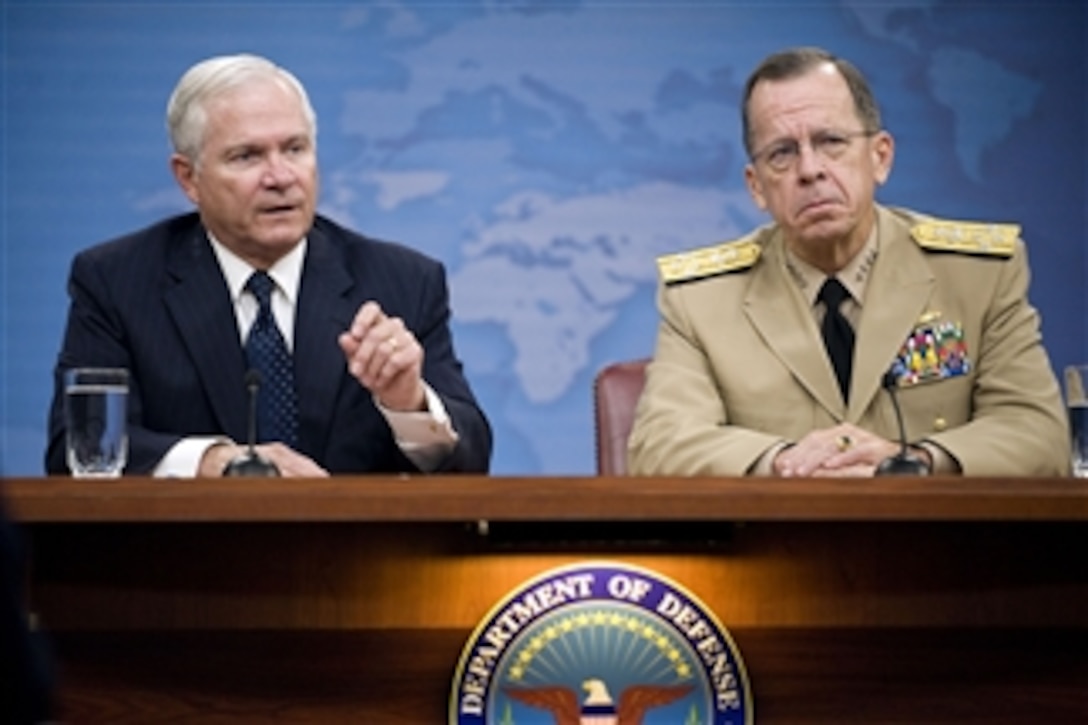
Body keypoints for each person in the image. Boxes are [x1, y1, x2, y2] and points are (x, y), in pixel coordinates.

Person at [628, 47, 1069, 477]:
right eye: (782, 153)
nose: (810, 170)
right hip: (777, 544)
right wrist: (787, 461)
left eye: (831, 142)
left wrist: (912, 461)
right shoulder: (702, 299)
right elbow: (660, 445)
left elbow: (1038, 434)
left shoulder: (978, 275)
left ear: (880, 157)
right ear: (756, 186)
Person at [44, 54, 491, 477]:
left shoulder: (403, 282)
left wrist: (407, 404)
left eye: (295, 149)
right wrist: (217, 462)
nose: (280, 177)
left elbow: (470, 460)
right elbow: (76, 448)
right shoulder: (116, 281)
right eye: (247, 156)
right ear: (188, 178)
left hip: (357, 552)